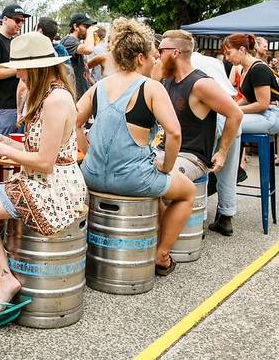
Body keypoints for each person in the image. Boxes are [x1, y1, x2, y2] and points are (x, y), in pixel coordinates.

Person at [0, 31, 86, 324]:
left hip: (54, 190)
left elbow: (45, 162)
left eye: (20, 68)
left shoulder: (56, 100)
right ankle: (4, 278)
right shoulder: (46, 95)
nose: (17, 73)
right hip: (39, 181)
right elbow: (42, 151)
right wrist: (4, 142)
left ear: (35, 68)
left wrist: (5, 149)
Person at [77, 18, 195, 276]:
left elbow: (72, 124)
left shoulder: (98, 87)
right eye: (153, 56)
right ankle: (161, 254)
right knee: (187, 192)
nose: (156, 60)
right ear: (141, 57)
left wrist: (87, 152)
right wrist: (167, 166)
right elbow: (174, 133)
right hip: (133, 179)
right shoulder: (150, 87)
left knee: (164, 189)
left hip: (92, 176)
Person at [159, 30, 243, 236]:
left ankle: (167, 242)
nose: (157, 54)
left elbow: (236, 114)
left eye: (161, 50)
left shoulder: (201, 84)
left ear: (175, 52)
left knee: (156, 183)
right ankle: (161, 235)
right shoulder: (167, 80)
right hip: (166, 151)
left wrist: (222, 152)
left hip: (192, 157)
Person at [223, 34, 279, 136]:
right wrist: (228, 108)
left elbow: (263, 104)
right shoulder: (244, 70)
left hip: (273, 114)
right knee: (224, 120)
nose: (227, 58)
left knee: (227, 124)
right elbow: (246, 100)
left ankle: (223, 152)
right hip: (263, 113)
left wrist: (232, 109)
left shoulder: (258, 69)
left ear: (242, 50)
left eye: (228, 53)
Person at [0, 4, 29, 134]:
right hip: (2, 107)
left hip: (14, 106)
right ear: (5, 19)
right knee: (4, 148)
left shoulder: (13, 41)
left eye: (23, 21)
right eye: (17, 20)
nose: (20, 24)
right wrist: (19, 70)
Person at [60, 13, 98, 99]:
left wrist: (95, 86)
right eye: (86, 26)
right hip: (73, 96)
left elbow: (85, 72)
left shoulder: (76, 43)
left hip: (81, 94)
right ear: (75, 26)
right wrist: (90, 32)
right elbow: (88, 49)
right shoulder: (68, 41)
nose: (88, 29)